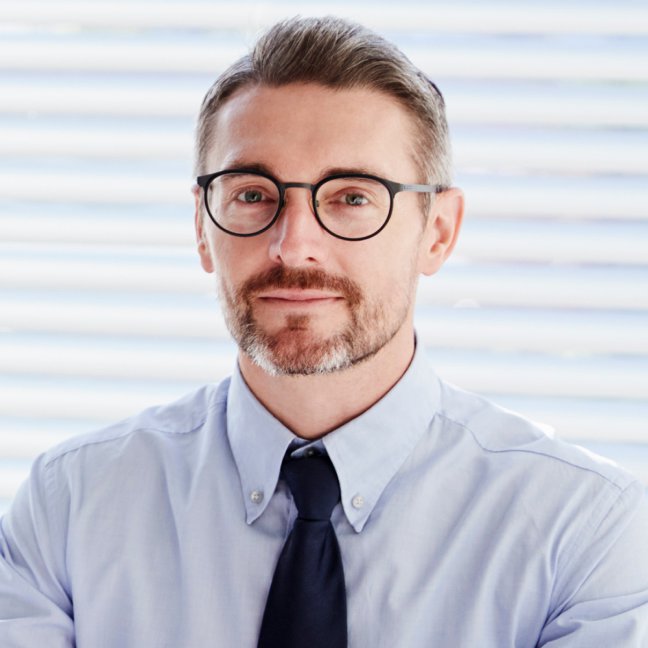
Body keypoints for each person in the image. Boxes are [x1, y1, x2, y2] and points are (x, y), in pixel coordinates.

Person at [1, 16, 647, 648]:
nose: (296, 245)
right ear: (203, 227)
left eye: (353, 196)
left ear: (439, 232)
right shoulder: (67, 509)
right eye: (253, 194)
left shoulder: (584, 532)